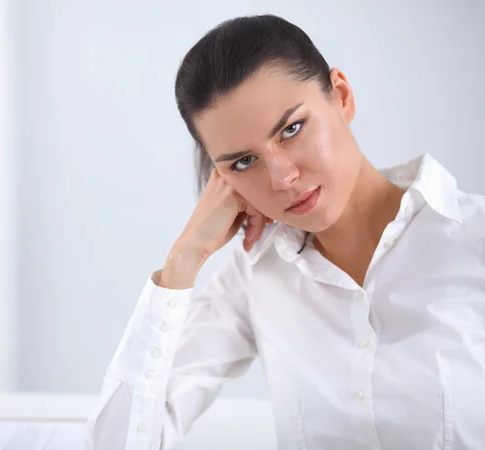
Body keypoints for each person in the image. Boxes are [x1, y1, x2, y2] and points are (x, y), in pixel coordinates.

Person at [84, 14, 485, 450]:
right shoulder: (254, 274)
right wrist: (186, 257)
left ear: (342, 97)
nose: (281, 177)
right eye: (243, 162)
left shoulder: (471, 240)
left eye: (292, 129)